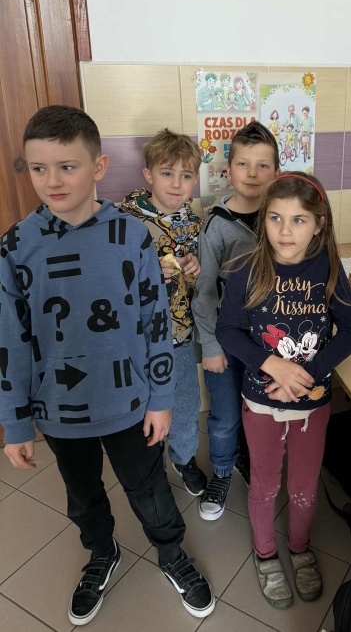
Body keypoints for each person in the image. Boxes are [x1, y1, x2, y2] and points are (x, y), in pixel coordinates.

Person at [0, 106, 214, 624]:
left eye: (67, 166)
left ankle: (171, 553)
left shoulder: (131, 236)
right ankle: (102, 552)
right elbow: (11, 339)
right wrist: (15, 422)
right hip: (59, 409)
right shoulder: (16, 246)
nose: (52, 181)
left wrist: (161, 399)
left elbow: (156, 324)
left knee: (150, 490)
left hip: (130, 404)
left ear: (98, 167)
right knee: (82, 495)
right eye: (38, 168)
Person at [215, 172, 351, 608]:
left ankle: (299, 549)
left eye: (299, 220)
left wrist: (307, 374)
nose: (285, 231)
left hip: (311, 404)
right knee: (264, 485)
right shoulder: (246, 269)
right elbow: (227, 329)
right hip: (261, 402)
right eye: (275, 218)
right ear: (263, 219)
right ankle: (265, 555)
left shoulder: (329, 270)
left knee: (303, 487)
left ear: (319, 224)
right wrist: (272, 365)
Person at [192, 121, 279, 521]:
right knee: (225, 415)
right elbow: (205, 292)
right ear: (228, 170)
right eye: (243, 164)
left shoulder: (283, 219)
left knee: (262, 413)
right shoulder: (217, 223)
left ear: (277, 172)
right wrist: (210, 346)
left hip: (271, 343)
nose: (252, 173)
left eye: (263, 165)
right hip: (227, 342)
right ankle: (223, 471)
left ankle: (256, 467)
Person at [119, 128, 206, 499]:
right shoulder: (124, 221)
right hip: (137, 339)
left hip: (180, 334)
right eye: (167, 173)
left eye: (185, 175)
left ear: (194, 180)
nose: (176, 184)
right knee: (142, 408)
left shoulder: (194, 222)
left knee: (185, 403)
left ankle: (183, 458)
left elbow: (203, 281)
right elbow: (109, 279)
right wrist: (147, 271)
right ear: (148, 175)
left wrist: (196, 268)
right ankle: (150, 467)